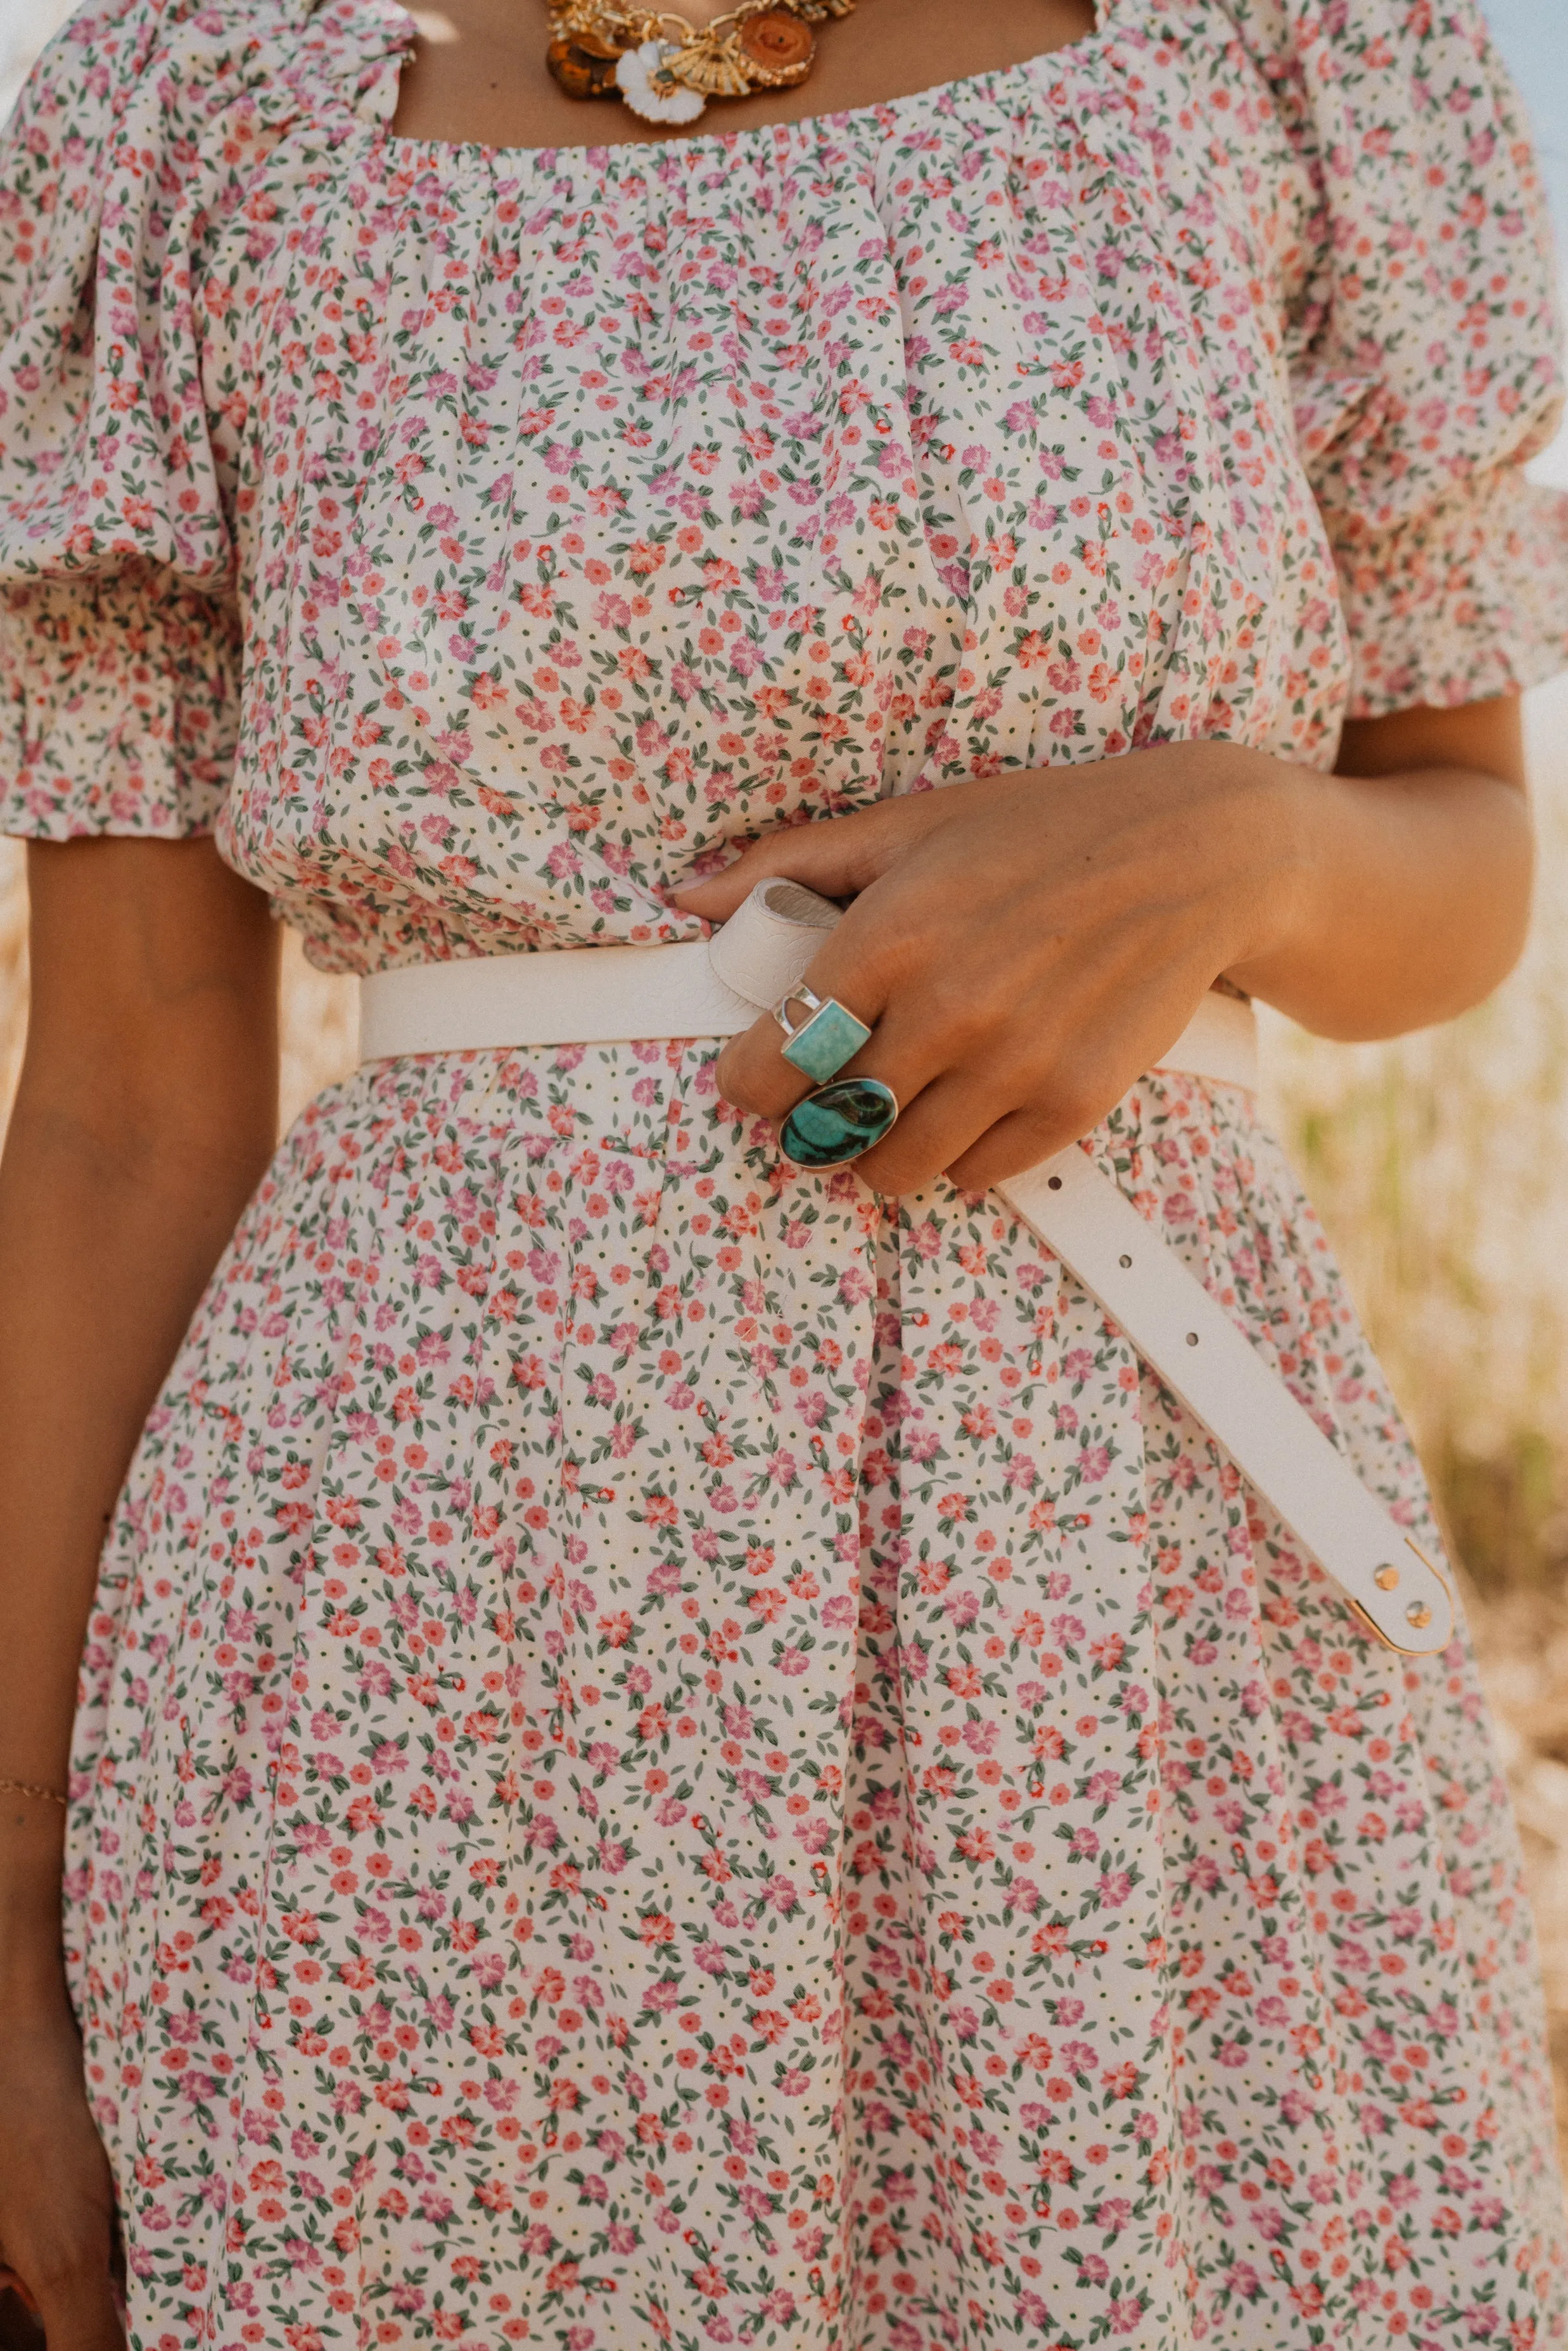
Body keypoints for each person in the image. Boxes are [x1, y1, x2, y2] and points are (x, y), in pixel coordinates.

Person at [1, 0, 1567, 2341]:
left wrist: (1240, 844)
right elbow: (127, 1096)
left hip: (1118, 1633)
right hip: (403, 1675)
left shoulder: (1277, 45)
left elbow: (1457, 850)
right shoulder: (197, 112)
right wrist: (4, 1908)